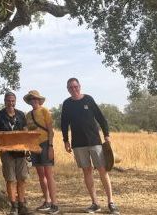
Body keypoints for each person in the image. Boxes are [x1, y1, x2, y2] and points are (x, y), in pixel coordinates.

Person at [61, 78, 120, 214]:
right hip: (78, 144)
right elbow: (64, 123)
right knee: (86, 171)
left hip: (94, 141)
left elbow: (101, 118)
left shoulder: (88, 99)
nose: (73, 89)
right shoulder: (67, 104)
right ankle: (95, 203)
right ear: (68, 89)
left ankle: (111, 202)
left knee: (102, 170)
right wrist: (65, 140)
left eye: (75, 86)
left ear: (79, 86)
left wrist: (106, 135)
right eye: (70, 87)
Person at [0, 91, 30, 215]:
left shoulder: (21, 115)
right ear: (4, 101)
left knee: (22, 179)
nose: (11, 103)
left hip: (20, 152)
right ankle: (13, 206)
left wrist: (25, 146)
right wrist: (0, 146)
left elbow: (25, 132)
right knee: (10, 179)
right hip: (7, 152)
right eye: (8, 100)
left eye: (13, 100)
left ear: (15, 101)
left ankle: (22, 205)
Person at [24, 90, 59, 214]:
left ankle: (55, 204)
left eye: (35, 98)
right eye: (31, 99)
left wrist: (50, 146)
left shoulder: (44, 111)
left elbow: (51, 130)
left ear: (39, 100)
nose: (33, 100)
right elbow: (27, 132)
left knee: (49, 174)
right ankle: (47, 201)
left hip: (45, 144)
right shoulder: (27, 115)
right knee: (40, 175)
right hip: (34, 146)